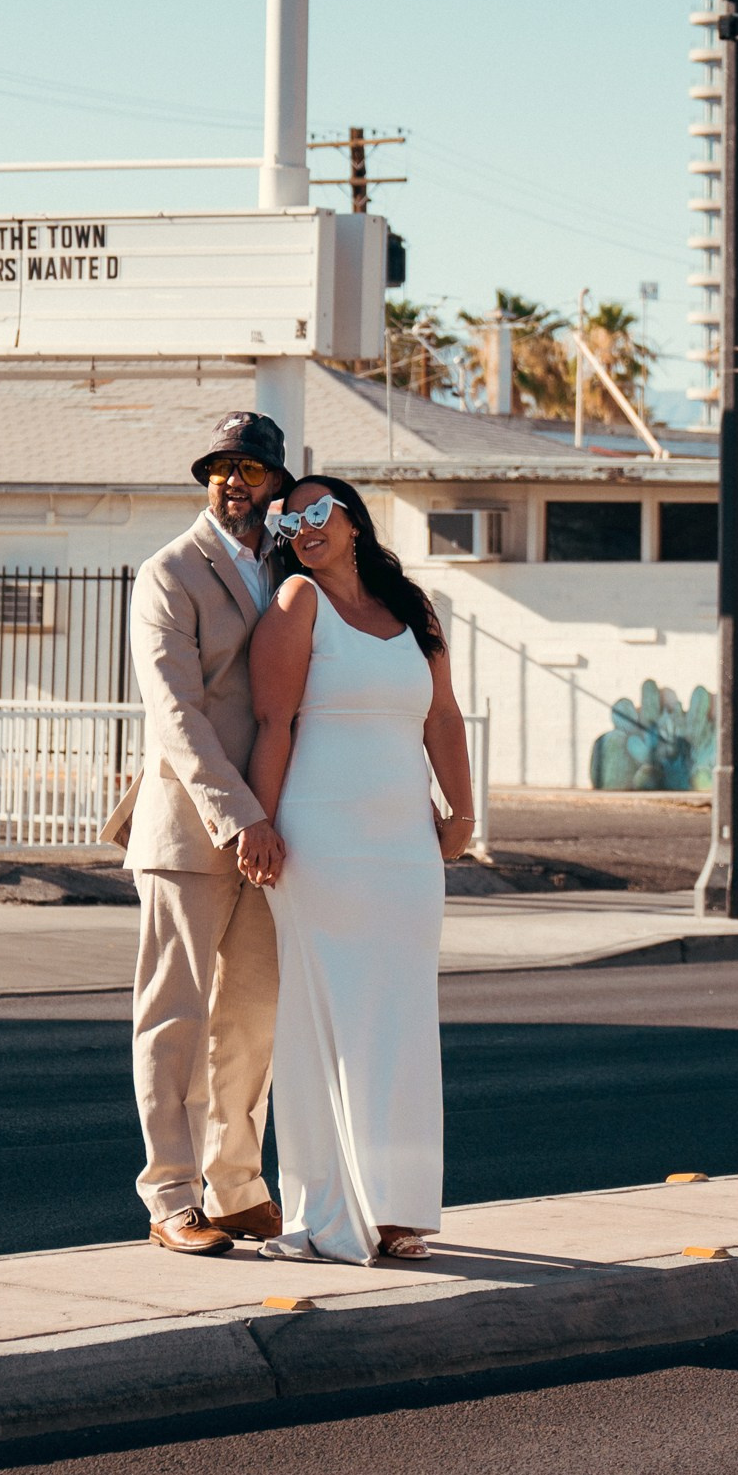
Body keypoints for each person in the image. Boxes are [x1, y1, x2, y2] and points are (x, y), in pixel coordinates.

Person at [247, 473, 475, 1265]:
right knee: (323, 1024)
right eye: (289, 520)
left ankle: (399, 1209)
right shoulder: (296, 605)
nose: (303, 528)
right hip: (320, 842)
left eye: (317, 512)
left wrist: (463, 814)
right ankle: (329, 1213)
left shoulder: (414, 608)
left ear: (352, 521)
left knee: (403, 1018)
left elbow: (442, 717)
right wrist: (260, 826)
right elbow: (273, 724)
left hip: (406, 846)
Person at [122, 410, 294, 1255]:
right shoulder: (169, 573)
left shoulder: (292, 566)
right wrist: (243, 818)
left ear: (276, 484)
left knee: (252, 1020)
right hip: (193, 833)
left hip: (275, 838)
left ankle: (235, 1186)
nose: (234, 481)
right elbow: (177, 716)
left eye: (251, 470)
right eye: (221, 468)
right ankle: (171, 1198)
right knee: (174, 1019)